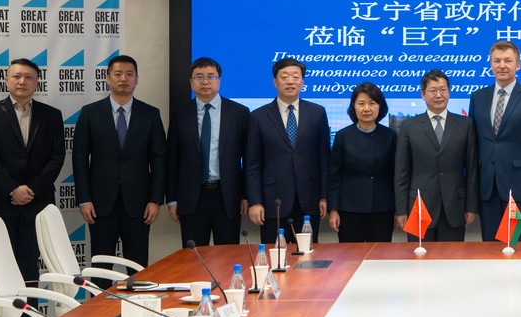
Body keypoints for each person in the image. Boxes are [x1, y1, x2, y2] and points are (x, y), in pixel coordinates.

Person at [0, 58, 64, 317]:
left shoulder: (51, 115)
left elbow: (56, 158)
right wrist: (12, 189)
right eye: (16, 76)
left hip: (36, 204)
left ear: (37, 82)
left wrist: (32, 189)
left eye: (28, 77)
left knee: (29, 269)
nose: (22, 81)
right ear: (6, 80)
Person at [72, 55, 166, 267]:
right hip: (100, 203)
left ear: (136, 79)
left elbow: (159, 160)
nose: (123, 78)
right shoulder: (90, 113)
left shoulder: (150, 114)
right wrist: (84, 199)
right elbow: (80, 159)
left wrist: (155, 200)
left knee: (138, 267)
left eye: (129, 74)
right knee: (101, 267)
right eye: (118, 74)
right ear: (108, 78)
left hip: (139, 204)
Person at [469, 41, 521, 242]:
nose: (502, 65)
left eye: (508, 60)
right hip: (488, 189)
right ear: (490, 64)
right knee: (491, 250)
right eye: (496, 61)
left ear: (518, 65)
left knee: (519, 250)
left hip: (520, 191)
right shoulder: (478, 98)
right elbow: (473, 145)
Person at [166, 57, 250, 247]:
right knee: (193, 256)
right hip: (191, 197)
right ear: (191, 82)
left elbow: (249, 158)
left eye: (211, 77)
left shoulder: (239, 113)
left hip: (227, 196)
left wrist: (245, 195)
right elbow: (172, 159)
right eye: (199, 77)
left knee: (228, 255)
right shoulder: (180, 114)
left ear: (219, 80)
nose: (205, 82)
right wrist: (172, 199)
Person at [246, 58, 330, 245]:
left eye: (295, 76)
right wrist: (255, 201)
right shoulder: (258, 116)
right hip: (273, 201)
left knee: (307, 254)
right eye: (284, 77)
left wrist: (324, 196)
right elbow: (252, 164)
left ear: (303, 82)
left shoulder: (317, 113)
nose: (290, 81)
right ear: (275, 82)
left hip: (309, 199)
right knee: (274, 254)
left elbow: (324, 159)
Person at [394, 70, 479, 241]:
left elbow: (472, 170)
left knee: (452, 256)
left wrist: (471, 207)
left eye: (443, 90)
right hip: (419, 207)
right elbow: (401, 172)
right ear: (423, 94)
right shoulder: (409, 126)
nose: (438, 95)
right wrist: (401, 210)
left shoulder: (465, 124)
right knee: (419, 256)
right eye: (433, 90)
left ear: (449, 92)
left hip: (455, 206)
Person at [327, 82, 397, 242]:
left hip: (383, 208)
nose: (367, 108)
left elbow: (396, 175)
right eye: (361, 103)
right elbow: (334, 177)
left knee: (380, 255)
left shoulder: (390, 136)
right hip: (349, 209)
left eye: (372, 103)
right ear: (353, 106)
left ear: (380, 106)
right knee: (350, 255)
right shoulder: (343, 136)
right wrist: (334, 209)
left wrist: (398, 210)